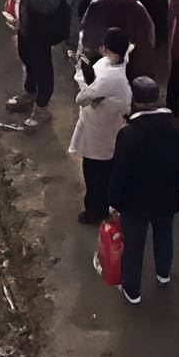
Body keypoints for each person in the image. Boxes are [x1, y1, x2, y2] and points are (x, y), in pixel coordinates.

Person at [109, 75, 179, 304]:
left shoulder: (127, 133)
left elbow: (119, 172)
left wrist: (114, 202)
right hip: (166, 198)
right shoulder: (174, 127)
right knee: (164, 235)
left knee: (134, 246)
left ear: (134, 101)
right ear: (157, 98)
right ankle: (163, 273)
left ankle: (132, 291)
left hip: (134, 204)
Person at [1, 0, 72, 129]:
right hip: (28, 22)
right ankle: (30, 92)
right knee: (26, 56)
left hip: (44, 27)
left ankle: (42, 109)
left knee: (43, 66)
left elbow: (50, 4)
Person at [68, 26, 132, 223]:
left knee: (95, 173)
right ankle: (102, 206)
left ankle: (95, 211)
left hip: (99, 132)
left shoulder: (111, 77)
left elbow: (81, 98)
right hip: (106, 127)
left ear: (106, 48)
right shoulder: (114, 64)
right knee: (103, 171)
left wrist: (81, 70)